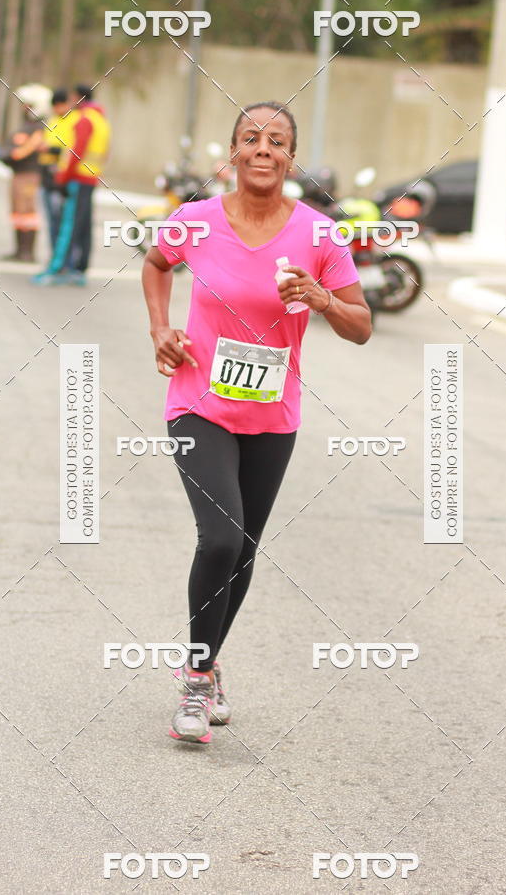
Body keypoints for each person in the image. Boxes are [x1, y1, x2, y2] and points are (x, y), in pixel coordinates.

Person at [142, 100, 372, 744]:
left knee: (241, 553)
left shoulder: (320, 237)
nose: (263, 148)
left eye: (277, 140)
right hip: (199, 403)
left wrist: (324, 298)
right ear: (234, 154)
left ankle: (209, 667)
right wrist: (162, 329)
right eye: (251, 138)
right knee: (219, 538)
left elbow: (361, 327)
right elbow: (156, 265)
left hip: (274, 414)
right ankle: (194, 681)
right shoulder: (196, 221)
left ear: (291, 159)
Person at [33, 84, 111, 286]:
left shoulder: (84, 119)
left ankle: (58, 269)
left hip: (78, 178)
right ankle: (79, 269)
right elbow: (106, 152)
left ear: (79, 97)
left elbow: (77, 152)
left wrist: (64, 177)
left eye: (72, 97)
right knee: (83, 225)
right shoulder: (101, 119)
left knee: (70, 226)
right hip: (91, 177)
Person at [0, 84, 50, 261]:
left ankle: (27, 252)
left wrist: (10, 154)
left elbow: (21, 151)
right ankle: (19, 250)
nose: (23, 107)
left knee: (27, 212)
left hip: (29, 175)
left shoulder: (38, 129)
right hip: (18, 174)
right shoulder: (27, 127)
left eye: (27, 104)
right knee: (18, 212)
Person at [38, 88, 74, 251]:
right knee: (51, 219)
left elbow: (69, 149)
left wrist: (50, 149)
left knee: (60, 219)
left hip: (60, 177)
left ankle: (62, 258)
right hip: (46, 175)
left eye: (60, 105)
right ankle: (54, 256)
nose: (57, 109)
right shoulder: (52, 119)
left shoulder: (73, 121)